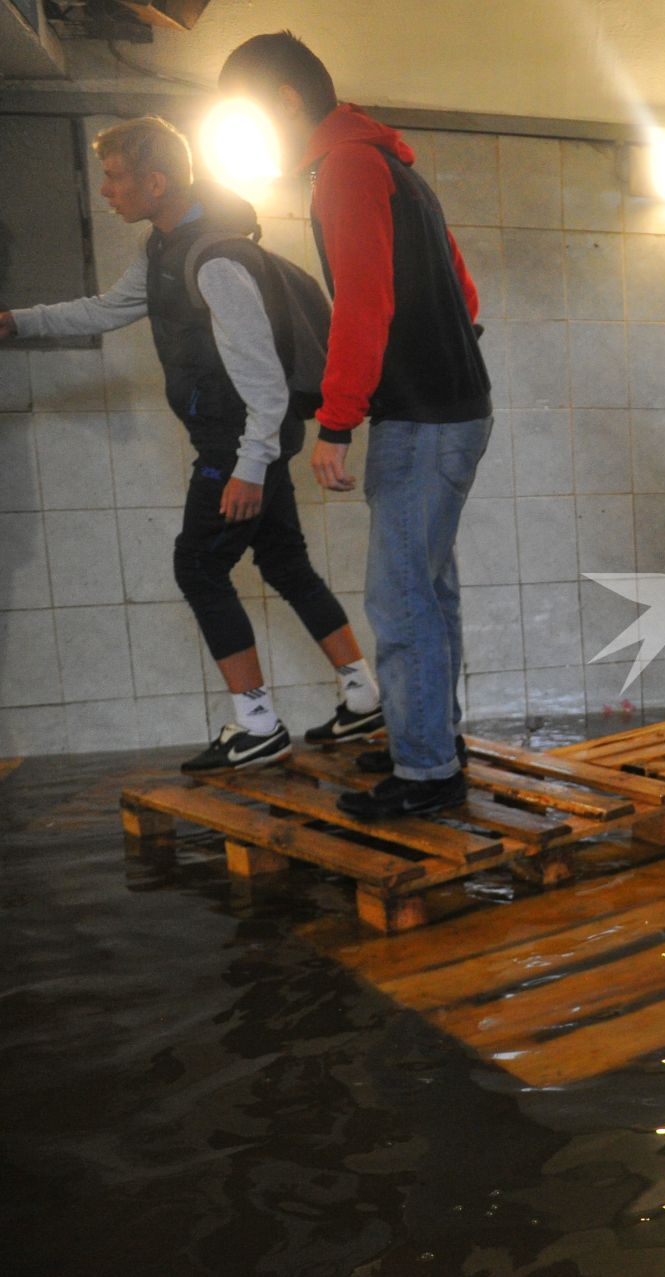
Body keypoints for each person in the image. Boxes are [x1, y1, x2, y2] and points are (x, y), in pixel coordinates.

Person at [0, 116, 380, 772]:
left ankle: (256, 722)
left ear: (155, 181)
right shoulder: (163, 251)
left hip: (239, 445)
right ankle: (363, 694)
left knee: (198, 567)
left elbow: (262, 378)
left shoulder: (213, 259)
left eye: (116, 177)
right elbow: (105, 309)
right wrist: (15, 322)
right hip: (247, 444)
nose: (108, 191)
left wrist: (249, 467)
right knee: (287, 564)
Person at [219, 32, 493, 818]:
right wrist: (438, 357)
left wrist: (338, 420)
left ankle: (426, 772)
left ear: (284, 103)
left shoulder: (344, 170)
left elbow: (365, 301)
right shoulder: (391, 164)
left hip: (423, 417)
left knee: (403, 598)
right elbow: (464, 291)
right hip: (459, 406)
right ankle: (436, 743)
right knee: (429, 590)